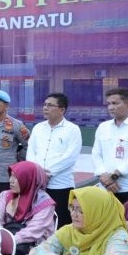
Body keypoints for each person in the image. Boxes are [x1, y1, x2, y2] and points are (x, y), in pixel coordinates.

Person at [29, 187, 128, 255]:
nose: (73, 214)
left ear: (97, 212)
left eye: (81, 210)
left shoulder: (118, 235)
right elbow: (36, 252)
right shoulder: (69, 230)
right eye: (72, 208)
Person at [25, 92, 83, 229]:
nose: (45, 108)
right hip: (38, 185)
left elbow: (70, 157)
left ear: (62, 110)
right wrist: (38, 172)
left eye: (50, 105)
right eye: (44, 105)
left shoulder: (72, 130)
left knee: (61, 221)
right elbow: (31, 152)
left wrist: (47, 173)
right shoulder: (38, 128)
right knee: (37, 221)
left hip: (61, 185)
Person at [0, 161, 57, 255]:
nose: (11, 180)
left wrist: (10, 242)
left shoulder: (45, 203)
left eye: (16, 177)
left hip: (34, 250)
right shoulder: (5, 195)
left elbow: (33, 232)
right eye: (11, 176)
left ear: (29, 179)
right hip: (5, 243)